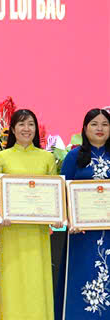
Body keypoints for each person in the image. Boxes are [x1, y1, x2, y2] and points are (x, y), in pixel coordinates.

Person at [0, 109, 58, 320]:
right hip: (11, 228)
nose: (26, 129)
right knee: (13, 277)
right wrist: (2, 208)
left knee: (37, 277)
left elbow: (53, 193)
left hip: (37, 230)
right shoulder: (1, 158)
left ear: (36, 128)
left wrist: (57, 214)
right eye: (21, 124)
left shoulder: (47, 158)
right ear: (12, 129)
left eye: (30, 124)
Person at [59, 108, 110, 319]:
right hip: (81, 233)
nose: (100, 128)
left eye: (105, 124)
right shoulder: (74, 156)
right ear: (85, 128)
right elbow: (62, 193)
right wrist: (69, 219)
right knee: (82, 277)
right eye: (94, 124)